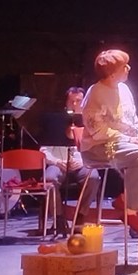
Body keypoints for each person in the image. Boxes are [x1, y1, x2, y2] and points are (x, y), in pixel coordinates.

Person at [80, 49, 138, 235]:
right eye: (124, 66)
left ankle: (128, 201)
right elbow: (97, 131)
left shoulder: (124, 89)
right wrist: (129, 140)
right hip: (99, 146)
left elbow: (132, 120)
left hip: (126, 142)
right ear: (112, 74)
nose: (128, 68)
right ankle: (131, 211)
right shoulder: (96, 93)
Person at [40, 86, 99, 234]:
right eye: (71, 101)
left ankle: (80, 216)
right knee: (49, 179)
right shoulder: (54, 122)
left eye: (78, 101)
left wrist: (84, 161)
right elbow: (43, 149)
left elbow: (97, 149)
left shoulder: (92, 121)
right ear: (65, 102)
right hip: (58, 163)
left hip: (81, 163)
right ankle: (59, 219)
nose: (74, 104)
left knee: (93, 177)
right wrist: (55, 161)